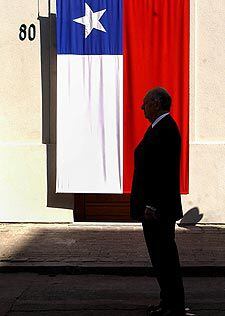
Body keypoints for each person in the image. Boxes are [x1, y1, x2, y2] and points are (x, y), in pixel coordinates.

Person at [130, 87, 185, 316]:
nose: (142, 108)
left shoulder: (165, 129)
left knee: (165, 257)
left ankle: (173, 305)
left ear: (155, 103)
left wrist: (152, 204)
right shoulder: (158, 128)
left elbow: (162, 172)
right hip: (155, 208)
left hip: (158, 209)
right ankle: (168, 302)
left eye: (145, 103)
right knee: (161, 258)